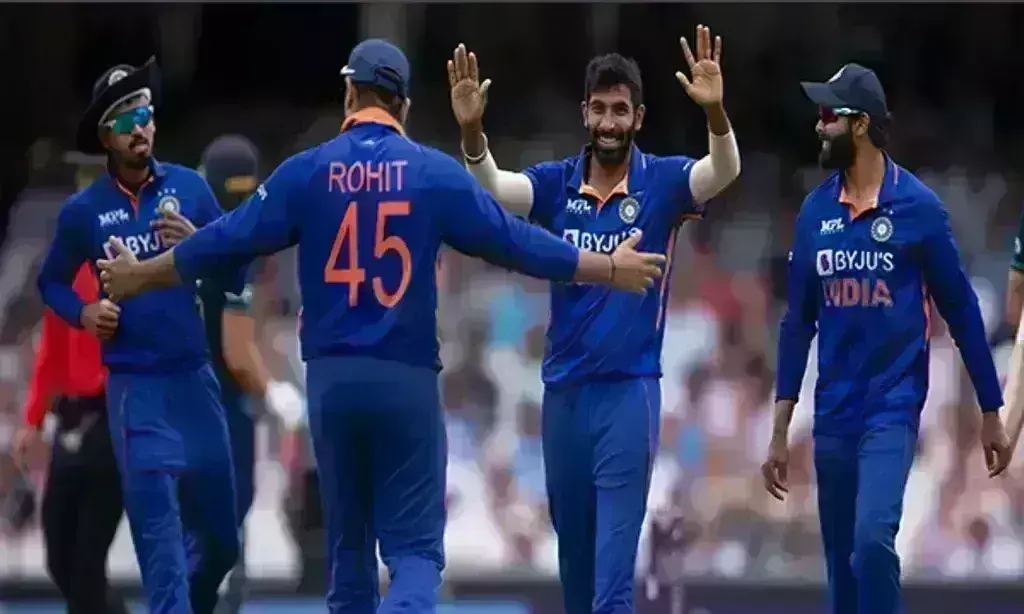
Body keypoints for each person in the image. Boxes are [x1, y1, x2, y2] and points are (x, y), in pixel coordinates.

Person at [94, 38, 667, 614]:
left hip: (330, 382)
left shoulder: (306, 172)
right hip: (404, 378)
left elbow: (224, 240)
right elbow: (517, 242)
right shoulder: (432, 173)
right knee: (415, 554)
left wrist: (141, 275)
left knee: (348, 553)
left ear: (349, 93)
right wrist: (606, 267)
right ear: (405, 106)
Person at [447, 25, 740, 614]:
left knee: (611, 586)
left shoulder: (661, 182)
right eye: (600, 109)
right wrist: (473, 132)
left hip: (628, 398)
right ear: (585, 113)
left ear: (638, 117)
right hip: (563, 399)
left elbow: (722, 171)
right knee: (576, 581)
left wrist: (715, 112)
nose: (609, 122)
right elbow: (497, 190)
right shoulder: (557, 183)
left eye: (620, 110)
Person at [761, 62, 1010, 614]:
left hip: (891, 411)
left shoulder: (918, 208)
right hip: (833, 413)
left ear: (861, 124)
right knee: (842, 575)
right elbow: (797, 323)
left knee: (872, 543)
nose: (819, 126)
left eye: (829, 116)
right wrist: (780, 426)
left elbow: (962, 311)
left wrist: (992, 409)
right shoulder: (815, 211)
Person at [36, 57, 243, 614]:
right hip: (135, 391)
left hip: (195, 382)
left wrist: (200, 243)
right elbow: (49, 282)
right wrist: (83, 313)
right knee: (161, 550)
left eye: (146, 113)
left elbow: (236, 277)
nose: (142, 127)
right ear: (106, 135)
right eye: (127, 119)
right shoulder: (84, 212)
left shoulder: (192, 189)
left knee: (222, 544)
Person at [196, 134, 305, 614]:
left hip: (172, 406)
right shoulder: (239, 247)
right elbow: (237, 351)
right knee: (221, 552)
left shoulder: (174, 242)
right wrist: (275, 392)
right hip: (222, 413)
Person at [12, 154, 126, 614]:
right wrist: (33, 420)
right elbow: (52, 352)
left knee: (86, 564)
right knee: (59, 555)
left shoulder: (134, 266)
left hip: (113, 419)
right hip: (72, 422)